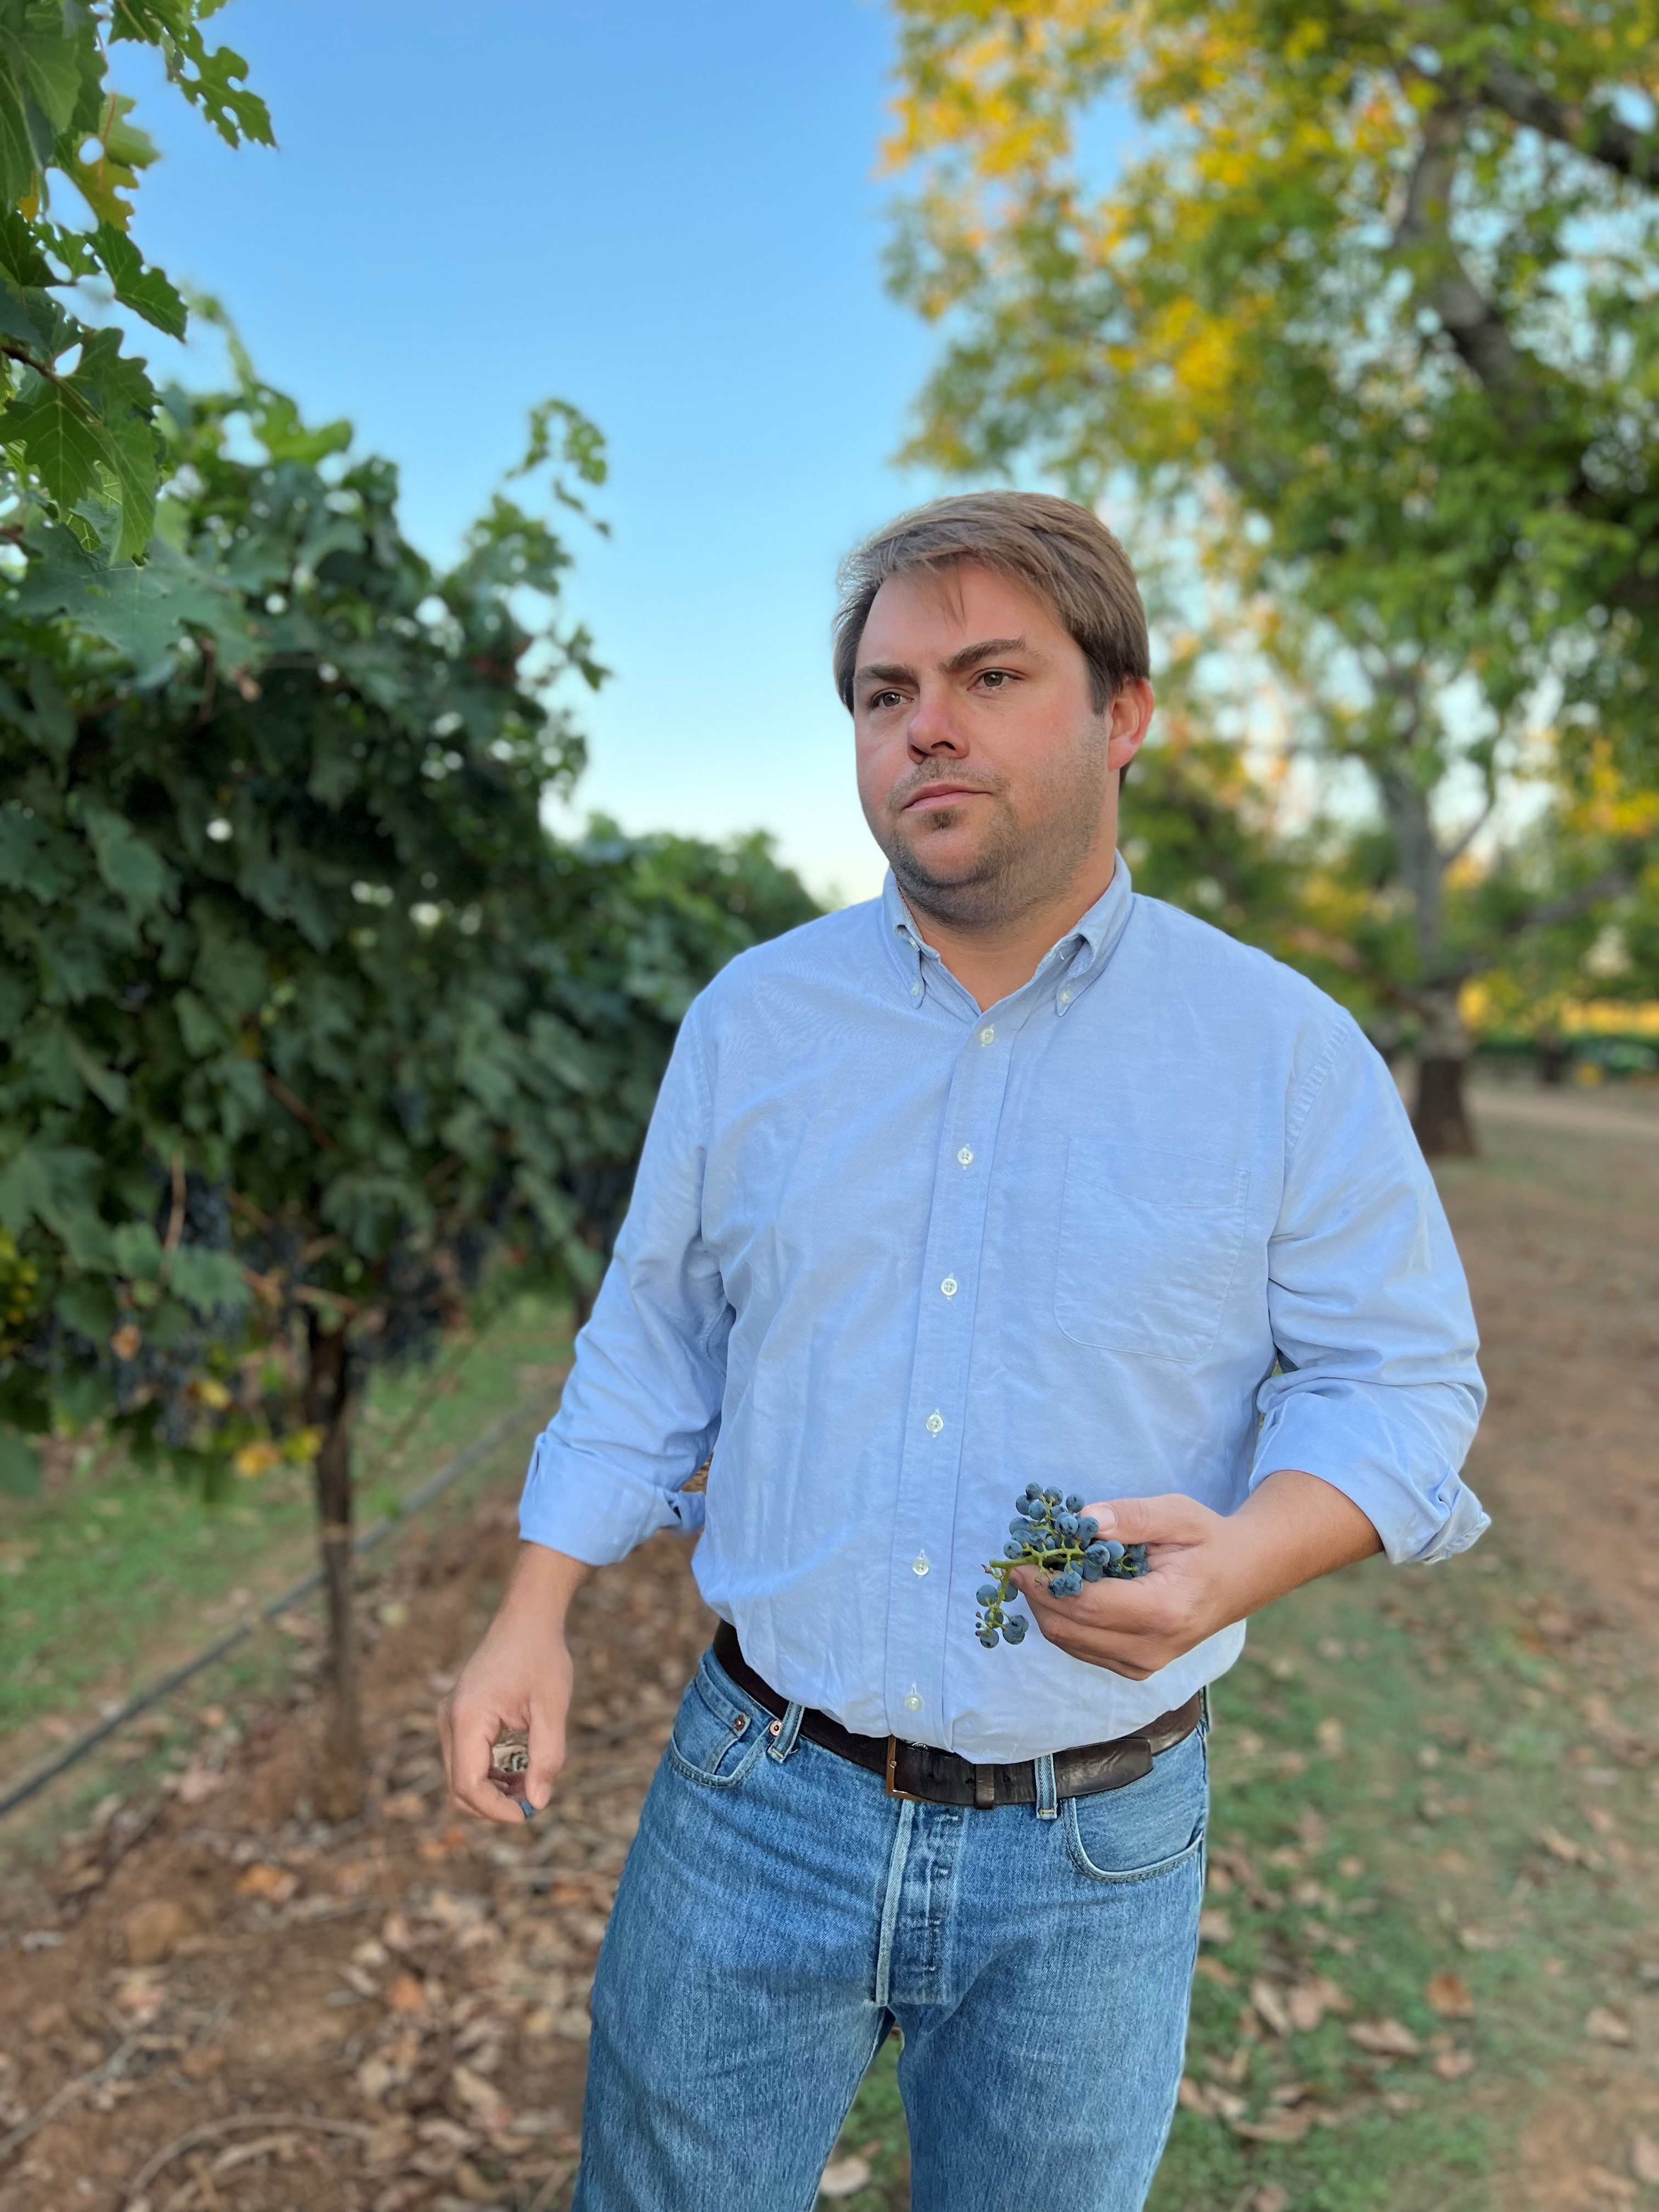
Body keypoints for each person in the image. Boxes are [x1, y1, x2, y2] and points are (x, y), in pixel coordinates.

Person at [438, 492, 1487, 2211]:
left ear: (1122, 711)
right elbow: (654, 1338)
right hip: (759, 1788)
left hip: (1099, 1835)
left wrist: (1246, 1559)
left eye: (990, 673)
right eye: (882, 691)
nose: (925, 721)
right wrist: (532, 1608)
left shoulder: (1281, 1054)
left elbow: (1409, 1381)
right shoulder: (754, 1024)